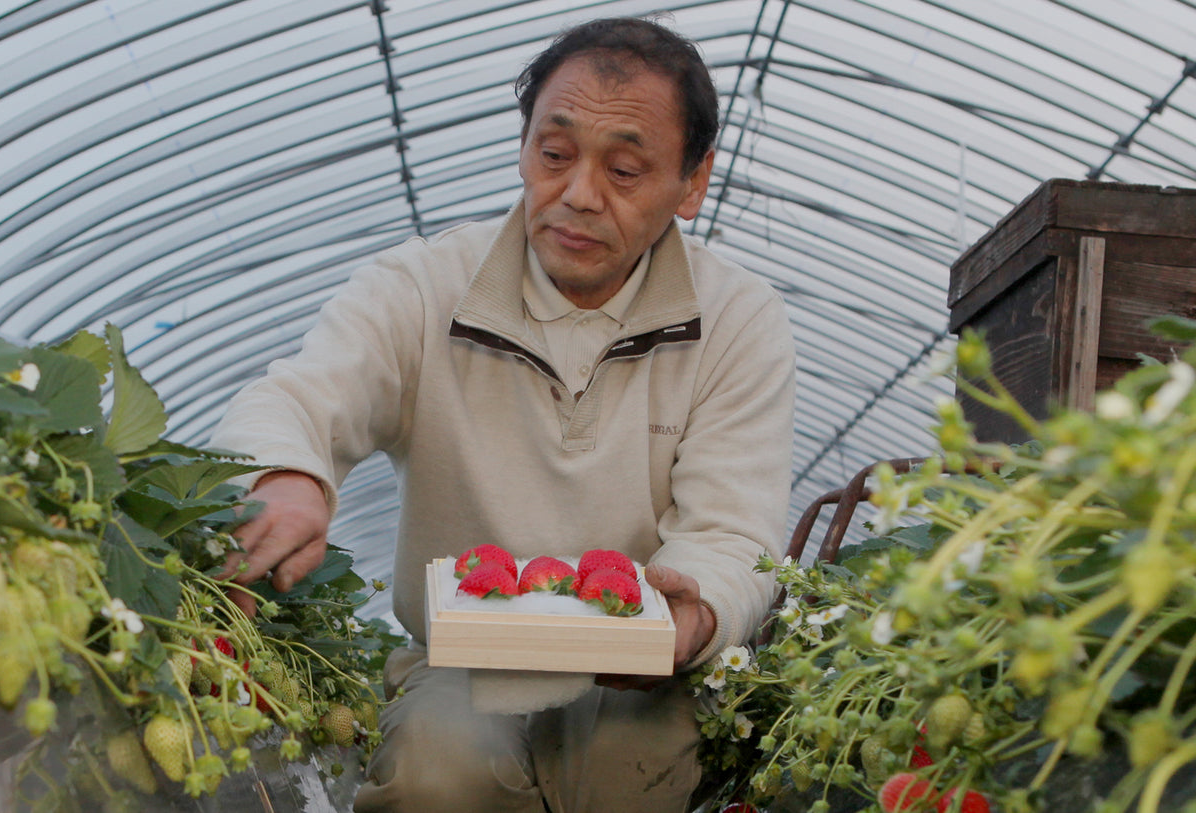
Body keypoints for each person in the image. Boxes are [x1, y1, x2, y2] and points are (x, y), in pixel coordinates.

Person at [210, 15, 796, 812]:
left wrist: (692, 615)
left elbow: (732, 530)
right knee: (439, 768)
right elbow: (302, 395)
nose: (577, 195)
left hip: (639, 673)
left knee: (636, 774)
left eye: (624, 170)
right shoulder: (422, 288)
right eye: (553, 155)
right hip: (463, 663)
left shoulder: (736, 319)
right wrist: (286, 475)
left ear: (692, 182)